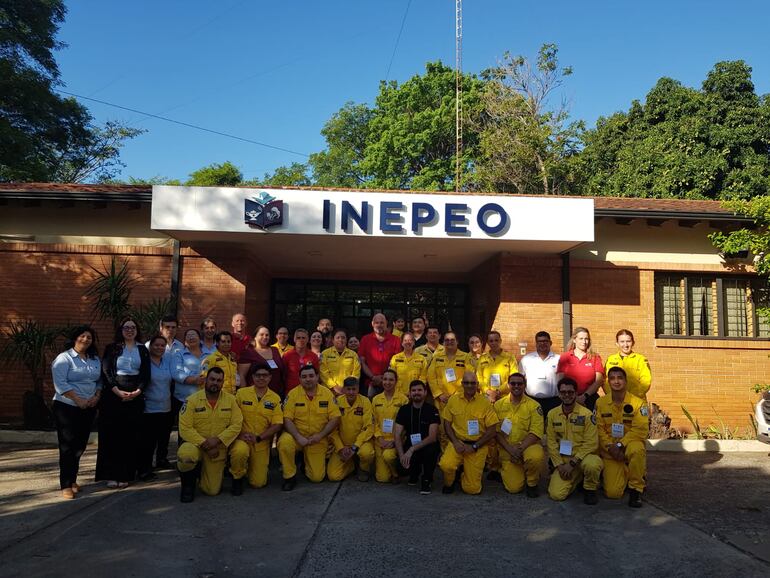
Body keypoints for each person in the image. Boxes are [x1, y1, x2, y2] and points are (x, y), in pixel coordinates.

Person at [96, 317, 150, 488]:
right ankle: (111, 475)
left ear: (137, 330)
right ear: (121, 330)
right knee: (112, 437)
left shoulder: (143, 350)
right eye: (126, 327)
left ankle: (126, 474)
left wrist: (138, 391)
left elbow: (146, 373)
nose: (130, 330)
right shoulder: (111, 348)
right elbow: (106, 371)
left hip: (135, 395)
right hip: (113, 395)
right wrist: (117, 391)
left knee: (130, 437)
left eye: (133, 327)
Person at [177, 367, 243, 502]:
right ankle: (188, 486)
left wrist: (218, 441)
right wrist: (205, 444)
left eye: (219, 381)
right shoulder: (191, 400)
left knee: (212, 491)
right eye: (212, 379)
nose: (215, 383)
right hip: (195, 445)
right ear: (206, 380)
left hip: (218, 448)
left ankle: (202, 473)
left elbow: (236, 424)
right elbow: (185, 428)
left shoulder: (230, 400)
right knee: (186, 455)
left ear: (222, 383)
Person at [51, 325, 102, 499]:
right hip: (67, 407)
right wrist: (78, 400)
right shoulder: (64, 358)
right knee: (67, 446)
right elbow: (60, 384)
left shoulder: (94, 359)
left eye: (89, 337)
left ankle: (73, 480)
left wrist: (96, 396)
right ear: (75, 338)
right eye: (82, 336)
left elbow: (99, 381)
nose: (85, 339)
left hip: (88, 407)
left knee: (80, 445)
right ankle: (65, 484)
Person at [277, 364, 341, 490]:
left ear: (317, 377)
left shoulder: (327, 393)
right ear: (299, 379)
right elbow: (287, 419)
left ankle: (305, 462)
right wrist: (298, 437)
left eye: (311, 376)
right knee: (284, 443)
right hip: (296, 437)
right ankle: (289, 476)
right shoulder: (293, 394)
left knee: (316, 478)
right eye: (304, 377)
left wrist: (320, 436)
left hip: (317, 438)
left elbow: (335, 418)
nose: (308, 379)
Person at [596, 366, 648, 507]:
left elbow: (641, 430)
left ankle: (636, 490)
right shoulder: (600, 403)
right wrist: (610, 447)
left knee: (637, 449)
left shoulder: (639, 403)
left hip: (628, 446)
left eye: (620, 378)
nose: (616, 381)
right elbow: (599, 429)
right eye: (612, 378)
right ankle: (628, 471)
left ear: (625, 381)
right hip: (610, 452)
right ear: (608, 382)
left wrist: (620, 445)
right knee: (613, 493)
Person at [439, 371, 498, 495]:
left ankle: (463, 475)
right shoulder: (453, 400)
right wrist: (455, 442)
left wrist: (475, 446)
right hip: (457, 443)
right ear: (462, 384)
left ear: (477, 384)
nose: (470, 385)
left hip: (477, 446)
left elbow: (492, 429)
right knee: (446, 465)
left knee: (472, 489)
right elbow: (447, 424)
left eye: (473, 383)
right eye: (466, 383)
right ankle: (449, 482)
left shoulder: (485, 403)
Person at [546, 377, 603, 504]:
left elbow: (591, 443)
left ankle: (590, 488)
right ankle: (577, 480)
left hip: (582, 459)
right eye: (563, 392)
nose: (567, 395)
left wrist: (572, 464)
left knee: (593, 464)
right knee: (556, 495)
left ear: (576, 393)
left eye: (570, 392)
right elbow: (551, 442)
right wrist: (559, 466)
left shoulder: (587, 415)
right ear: (559, 394)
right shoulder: (552, 414)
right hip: (563, 460)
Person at [229, 363, 284, 494]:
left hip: (260, 441)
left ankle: (248, 468)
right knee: (239, 452)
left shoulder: (275, 398)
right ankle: (237, 477)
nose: (261, 378)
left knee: (258, 483)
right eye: (257, 375)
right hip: (241, 438)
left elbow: (277, 424)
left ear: (270, 378)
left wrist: (259, 437)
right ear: (252, 377)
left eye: (265, 375)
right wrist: (238, 435)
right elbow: (230, 417)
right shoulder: (241, 394)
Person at [494, 373, 545, 497]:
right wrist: (511, 450)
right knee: (514, 488)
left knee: (535, 457)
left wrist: (519, 449)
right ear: (508, 385)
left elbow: (536, 432)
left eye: (520, 384)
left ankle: (532, 482)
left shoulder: (534, 406)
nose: (516, 386)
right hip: (507, 448)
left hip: (528, 447)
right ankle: (508, 470)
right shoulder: (498, 405)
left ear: (524, 385)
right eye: (513, 383)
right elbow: (495, 432)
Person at [394, 380, 441, 495]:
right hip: (410, 445)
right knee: (401, 468)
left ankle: (427, 479)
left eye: (419, 390)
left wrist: (411, 449)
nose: (416, 393)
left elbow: (432, 437)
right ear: (409, 393)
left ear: (425, 392)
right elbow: (397, 434)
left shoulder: (432, 410)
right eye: (413, 391)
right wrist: (401, 456)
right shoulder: (404, 409)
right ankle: (414, 472)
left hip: (427, 446)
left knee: (431, 450)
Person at [138, 335, 174, 480]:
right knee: (148, 442)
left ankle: (160, 461)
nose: (159, 348)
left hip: (166, 407)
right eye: (156, 345)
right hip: (149, 408)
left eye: (162, 346)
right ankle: (144, 469)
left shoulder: (167, 361)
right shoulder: (145, 363)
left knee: (163, 438)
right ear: (150, 346)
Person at [327, 377, 374, 482]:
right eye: (348, 389)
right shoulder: (337, 402)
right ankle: (351, 465)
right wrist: (340, 448)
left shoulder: (365, 401)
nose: (351, 392)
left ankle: (363, 469)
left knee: (367, 453)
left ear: (358, 389)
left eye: (354, 389)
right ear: (343, 390)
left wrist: (354, 447)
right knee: (333, 476)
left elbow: (369, 427)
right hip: (342, 444)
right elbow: (332, 429)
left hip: (361, 443)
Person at [371, 369, 409, 483]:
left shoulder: (404, 400)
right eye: (385, 379)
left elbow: (406, 424)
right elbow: (373, 421)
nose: (387, 382)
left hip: (396, 441)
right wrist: (380, 438)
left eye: (391, 379)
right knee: (382, 478)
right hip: (380, 440)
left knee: (389, 456)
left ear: (396, 381)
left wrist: (395, 440)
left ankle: (395, 472)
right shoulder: (375, 399)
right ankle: (388, 470)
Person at [557, 327, 604, 410]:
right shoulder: (565, 357)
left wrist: (584, 396)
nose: (584, 342)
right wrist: (571, 397)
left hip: (589, 398)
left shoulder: (595, 357)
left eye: (586, 339)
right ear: (574, 340)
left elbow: (599, 380)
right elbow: (560, 380)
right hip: (568, 399)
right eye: (581, 338)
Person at [519, 331, 561, 422]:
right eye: (539, 341)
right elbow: (521, 380)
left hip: (554, 402)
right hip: (532, 401)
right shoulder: (526, 359)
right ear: (536, 343)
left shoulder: (559, 359)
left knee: (552, 428)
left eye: (545, 341)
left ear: (550, 343)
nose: (542, 343)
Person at [359, 313, 401, 397]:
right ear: (372, 324)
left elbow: (398, 363)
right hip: (370, 383)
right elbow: (362, 362)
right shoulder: (365, 339)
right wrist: (373, 377)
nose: (379, 325)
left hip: (391, 383)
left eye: (382, 323)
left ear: (386, 323)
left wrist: (384, 378)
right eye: (377, 323)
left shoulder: (396, 340)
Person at [604, 329, 652, 402]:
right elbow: (605, 380)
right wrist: (613, 395)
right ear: (617, 343)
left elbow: (646, 381)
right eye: (622, 342)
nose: (625, 345)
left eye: (628, 341)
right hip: (615, 402)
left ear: (633, 343)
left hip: (637, 401)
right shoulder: (611, 359)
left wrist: (631, 397)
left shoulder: (641, 359)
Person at [238, 325, 285, 397]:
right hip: (255, 395)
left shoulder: (275, 350)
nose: (265, 337)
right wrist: (243, 395)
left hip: (276, 394)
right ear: (255, 337)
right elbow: (242, 375)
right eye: (261, 335)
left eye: (267, 335)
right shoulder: (249, 352)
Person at [428, 332, 468, 412]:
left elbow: (468, 377)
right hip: (441, 400)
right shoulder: (437, 357)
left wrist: (458, 394)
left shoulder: (466, 357)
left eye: (452, 340)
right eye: (447, 340)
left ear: (457, 342)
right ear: (443, 342)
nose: (449, 342)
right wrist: (439, 394)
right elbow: (430, 376)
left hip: (460, 398)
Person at [477, 330, 518, 404]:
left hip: (505, 398)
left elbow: (513, 378)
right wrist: (488, 391)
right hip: (486, 398)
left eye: (496, 340)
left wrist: (498, 391)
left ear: (500, 341)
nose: (494, 343)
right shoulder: (482, 358)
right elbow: (478, 378)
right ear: (488, 343)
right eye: (491, 341)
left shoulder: (510, 358)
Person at [172, 329, 207, 415]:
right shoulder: (178, 354)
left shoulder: (209, 355)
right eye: (188, 336)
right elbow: (176, 373)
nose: (191, 337)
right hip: (183, 400)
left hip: (205, 399)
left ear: (200, 339)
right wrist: (194, 380)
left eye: (193, 335)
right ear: (184, 341)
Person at [320, 328, 361, 395]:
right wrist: (334, 386)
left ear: (346, 340)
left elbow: (356, 373)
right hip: (328, 391)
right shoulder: (325, 354)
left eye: (343, 338)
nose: (340, 340)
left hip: (348, 392)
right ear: (333, 340)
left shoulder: (353, 355)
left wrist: (348, 387)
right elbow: (323, 372)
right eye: (338, 337)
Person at [389, 332, 429, 397]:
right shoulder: (395, 358)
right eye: (405, 340)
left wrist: (416, 391)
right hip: (398, 394)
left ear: (414, 342)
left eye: (410, 340)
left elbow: (423, 378)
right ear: (402, 343)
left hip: (416, 394)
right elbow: (391, 376)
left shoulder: (421, 359)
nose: (408, 342)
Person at [282, 328, 320, 396]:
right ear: (294, 339)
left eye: (303, 338)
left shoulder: (313, 356)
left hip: (309, 392)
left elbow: (316, 375)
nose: (301, 340)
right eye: (298, 338)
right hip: (291, 392)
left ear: (308, 340)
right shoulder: (287, 355)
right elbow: (283, 375)